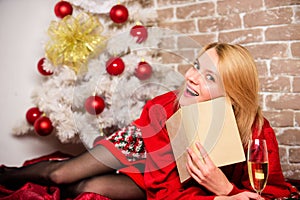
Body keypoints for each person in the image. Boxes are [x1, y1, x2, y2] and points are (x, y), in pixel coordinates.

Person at [0, 43, 297, 200]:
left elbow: (269, 192)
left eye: (209, 77)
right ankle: (5, 174)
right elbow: (161, 178)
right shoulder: (167, 106)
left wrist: (225, 190)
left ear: (231, 92)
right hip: (140, 146)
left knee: (89, 188)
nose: (191, 77)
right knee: (59, 176)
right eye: (196, 66)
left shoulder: (258, 132)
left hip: (161, 177)